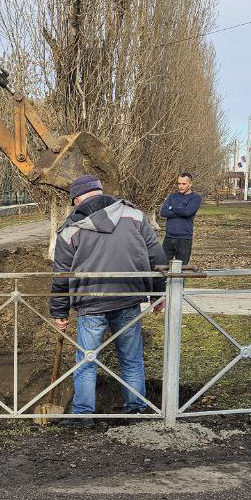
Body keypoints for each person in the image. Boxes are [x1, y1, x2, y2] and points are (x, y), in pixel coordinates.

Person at [50, 175, 166, 423]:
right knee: (131, 358)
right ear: (100, 192)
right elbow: (156, 256)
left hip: (90, 302)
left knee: (87, 360)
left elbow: (61, 274)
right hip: (127, 297)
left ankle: (82, 415)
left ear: (78, 199)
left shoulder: (70, 228)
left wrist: (60, 312)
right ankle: (136, 411)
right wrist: (158, 293)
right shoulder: (134, 216)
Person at [160, 172, 201, 265]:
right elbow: (163, 212)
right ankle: (164, 281)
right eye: (179, 183)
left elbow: (187, 212)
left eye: (184, 184)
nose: (181, 186)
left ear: (190, 184)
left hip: (184, 239)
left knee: (181, 270)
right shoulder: (172, 196)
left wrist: (172, 208)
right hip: (168, 238)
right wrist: (181, 210)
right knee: (162, 268)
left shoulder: (195, 198)